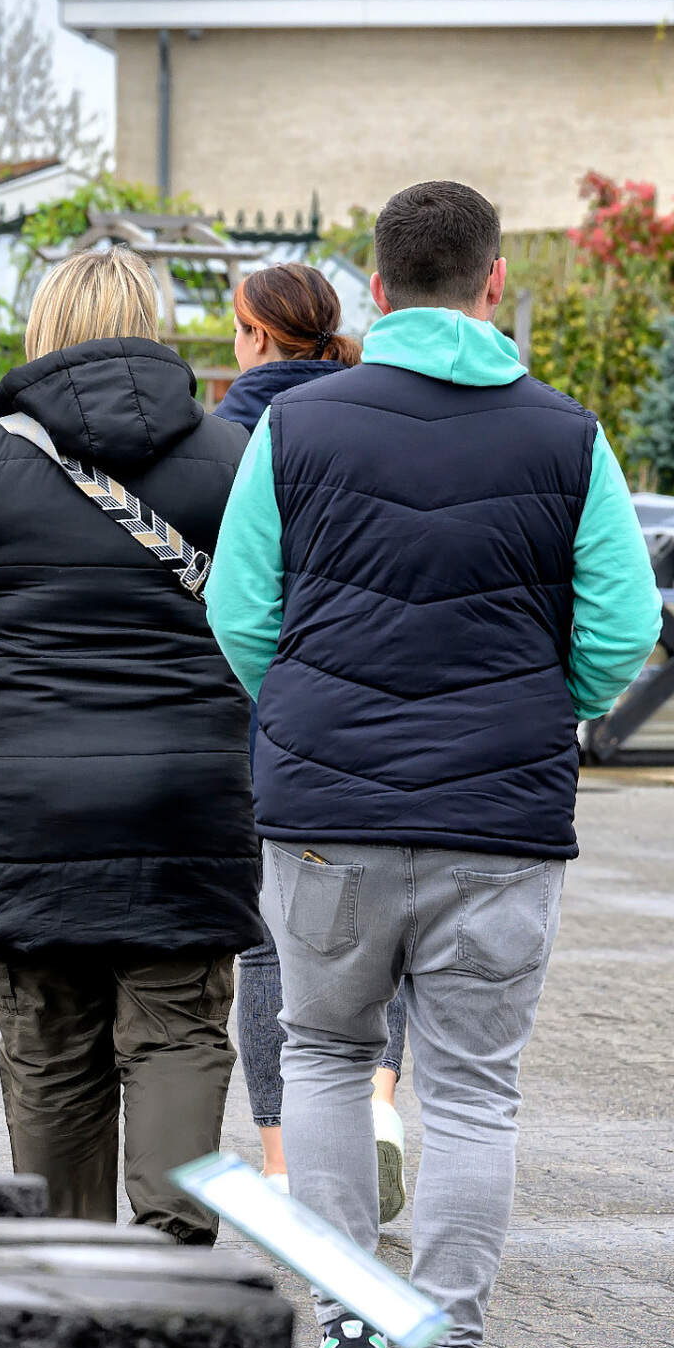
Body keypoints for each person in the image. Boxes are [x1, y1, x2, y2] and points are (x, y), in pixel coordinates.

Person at [204, 179, 664, 1348]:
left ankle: (348, 1337)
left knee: (326, 1054)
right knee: (468, 1094)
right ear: (496, 282)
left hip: (325, 812)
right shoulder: (569, 436)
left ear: (377, 286)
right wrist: (533, 703)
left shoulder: (295, 434)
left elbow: (242, 615)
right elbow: (623, 626)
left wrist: (309, 707)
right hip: (501, 819)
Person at [0, 246, 251, 1242]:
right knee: (178, 1028)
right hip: (188, 797)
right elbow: (270, 622)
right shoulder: (236, 456)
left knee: (49, 1044)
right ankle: (175, 1272)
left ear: (43, 328)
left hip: (31, 799)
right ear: (159, 324)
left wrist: (0, 703)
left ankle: (66, 1277)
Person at [211, 263, 403, 1210]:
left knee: (265, 941)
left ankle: (283, 1156)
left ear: (251, 333)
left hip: (272, 715)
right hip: (386, 709)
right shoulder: (378, 418)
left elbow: (233, 602)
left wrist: (275, 694)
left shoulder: (229, 435)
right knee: (392, 919)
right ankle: (378, 1104)